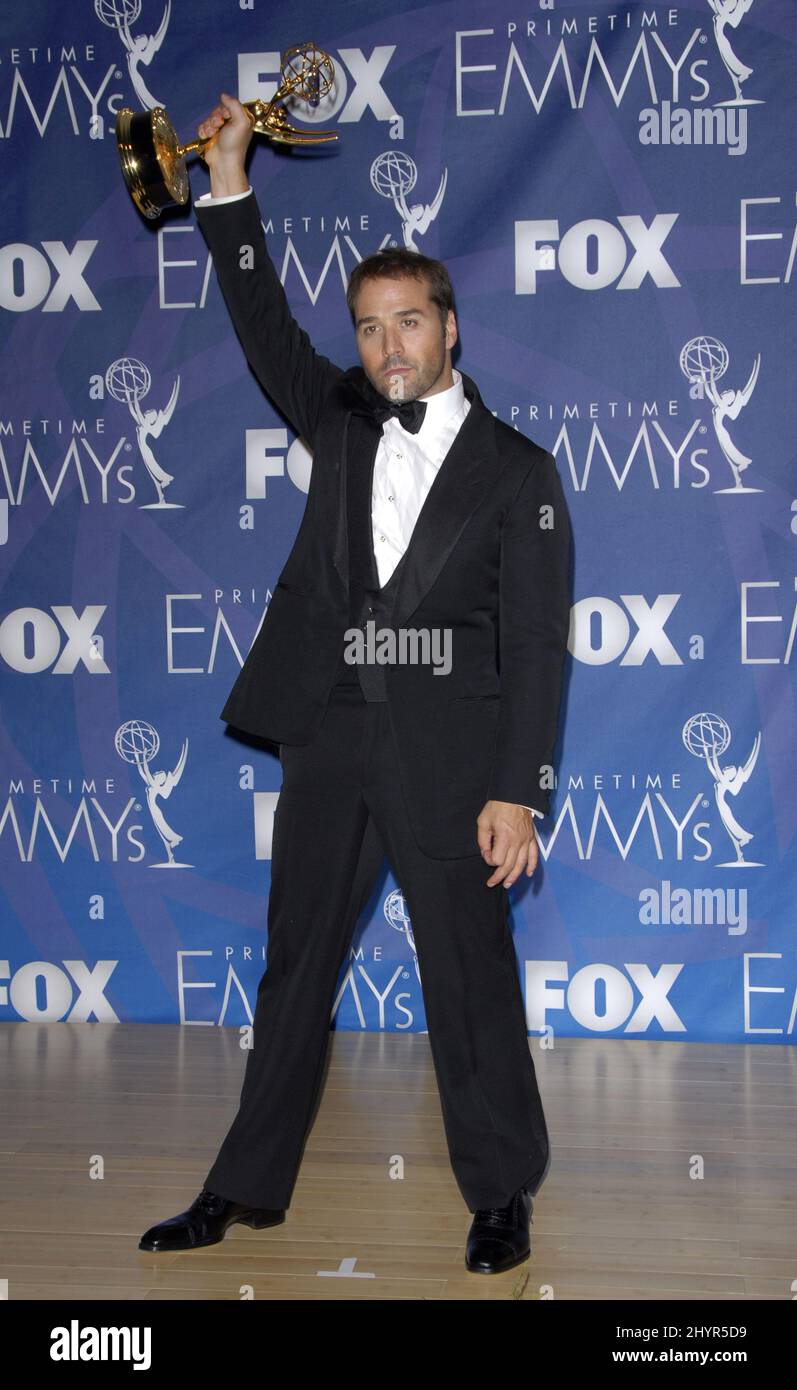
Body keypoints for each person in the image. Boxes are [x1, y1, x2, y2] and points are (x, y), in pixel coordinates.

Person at [139, 93, 572, 1275]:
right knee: (295, 971)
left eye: (408, 324)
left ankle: (499, 1192)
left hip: (448, 755)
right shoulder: (334, 414)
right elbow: (261, 320)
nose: (387, 347)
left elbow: (536, 645)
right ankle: (245, 1187)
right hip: (327, 739)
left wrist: (517, 790)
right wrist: (226, 179)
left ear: (448, 330)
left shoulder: (517, 471)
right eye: (370, 327)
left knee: (468, 978)